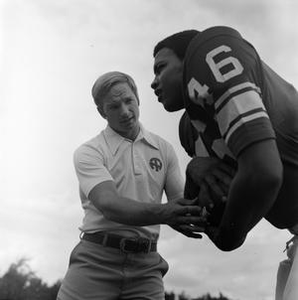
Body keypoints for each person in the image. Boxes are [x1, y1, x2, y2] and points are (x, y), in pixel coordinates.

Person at [151, 26, 298, 300]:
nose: (154, 81)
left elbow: (264, 173)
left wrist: (230, 236)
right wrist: (194, 169)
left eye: (161, 67)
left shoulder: (208, 53)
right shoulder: (191, 128)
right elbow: (211, 209)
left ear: (188, 62)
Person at [57, 71, 204, 300]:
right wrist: (168, 213)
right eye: (114, 106)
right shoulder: (90, 151)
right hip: (95, 261)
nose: (125, 112)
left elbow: (180, 206)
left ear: (138, 98)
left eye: (128, 101)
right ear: (101, 112)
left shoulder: (164, 149)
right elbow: (109, 205)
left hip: (146, 267)